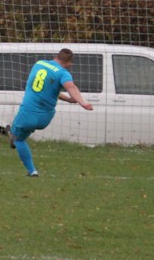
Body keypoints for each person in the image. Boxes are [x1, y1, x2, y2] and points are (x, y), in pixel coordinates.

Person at [7, 48, 94, 176]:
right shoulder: (63, 73)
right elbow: (70, 87)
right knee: (22, 136)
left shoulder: (39, 63)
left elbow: (43, 87)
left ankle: (32, 170)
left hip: (28, 113)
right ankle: (15, 136)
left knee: (18, 140)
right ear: (69, 63)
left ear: (56, 56)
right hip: (45, 118)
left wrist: (80, 101)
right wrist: (80, 102)